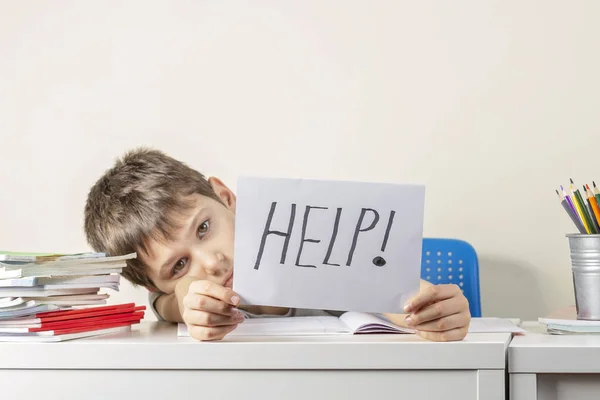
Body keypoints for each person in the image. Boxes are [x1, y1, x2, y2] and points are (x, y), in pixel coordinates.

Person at [84, 148, 471, 342]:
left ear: (225, 196)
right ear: (157, 285)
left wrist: (434, 311)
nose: (213, 262)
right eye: (179, 265)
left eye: (204, 228)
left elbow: (400, 299)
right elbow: (176, 303)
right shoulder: (176, 299)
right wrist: (189, 297)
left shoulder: (319, 249)